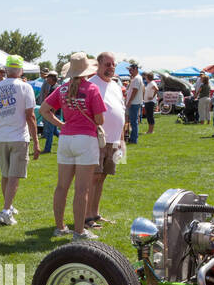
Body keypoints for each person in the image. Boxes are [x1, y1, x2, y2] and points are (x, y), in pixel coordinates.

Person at [40, 53, 105, 239]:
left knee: (62, 187)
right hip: (86, 139)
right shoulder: (92, 89)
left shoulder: (61, 89)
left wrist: (61, 125)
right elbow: (100, 119)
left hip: (66, 139)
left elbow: (44, 110)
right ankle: (79, 231)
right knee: (82, 189)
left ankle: (60, 227)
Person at [0, 55, 39, 225]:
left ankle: (9, 205)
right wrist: (36, 141)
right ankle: (6, 211)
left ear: (6, 70)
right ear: (20, 70)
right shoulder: (25, 87)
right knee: (14, 176)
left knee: (6, 175)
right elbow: (31, 116)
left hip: (2, 137)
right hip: (19, 137)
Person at [88, 52, 127, 231]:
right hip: (97, 139)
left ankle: (96, 214)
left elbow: (121, 111)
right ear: (99, 65)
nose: (111, 67)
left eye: (113, 64)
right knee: (93, 177)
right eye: (107, 64)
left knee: (103, 177)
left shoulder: (116, 86)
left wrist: (121, 139)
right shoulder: (91, 84)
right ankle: (87, 216)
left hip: (114, 140)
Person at [37, 71, 60, 152]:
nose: (46, 79)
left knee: (49, 132)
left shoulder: (54, 88)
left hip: (53, 113)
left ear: (51, 79)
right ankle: (67, 138)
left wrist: (52, 114)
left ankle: (47, 149)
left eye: (48, 78)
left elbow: (55, 102)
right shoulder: (54, 86)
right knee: (54, 131)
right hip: (54, 112)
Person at [124, 63, 144, 144]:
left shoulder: (137, 79)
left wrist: (129, 101)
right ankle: (132, 137)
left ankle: (133, 139)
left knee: (133, 122)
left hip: (134, 103)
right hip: (134, 102)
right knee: (133, 121)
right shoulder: (136, 78)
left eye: (131, 70)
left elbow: (135, 91)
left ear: (135, 69)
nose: (129, 71)